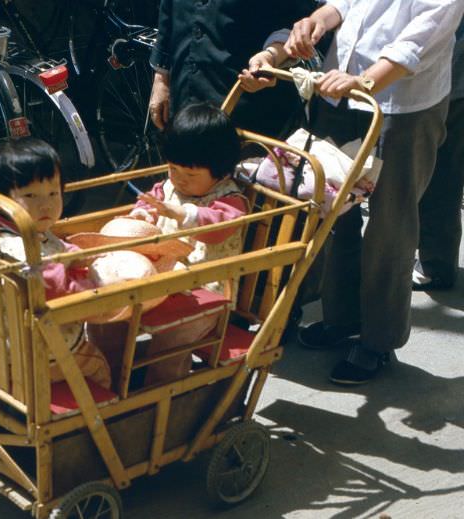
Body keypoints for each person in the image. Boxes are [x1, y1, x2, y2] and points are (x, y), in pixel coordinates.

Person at [240, 0, 464, 385]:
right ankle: (340, 319)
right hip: (337, 94)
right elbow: (341, 5)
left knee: (389, 226)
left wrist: (365, 81)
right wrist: (313, 23)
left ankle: (378, 341)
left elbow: (419, 40)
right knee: (332, 212)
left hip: (403, 106)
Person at [0, 137, 112, 389]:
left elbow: (55, 246)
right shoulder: (21, 250)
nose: (45, 203)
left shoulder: (13, 233)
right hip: (42, 352)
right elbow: (60, 287)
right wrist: (99, 293)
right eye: (30, 195)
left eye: (53, 192)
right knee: (101, 366)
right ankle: (100, 421)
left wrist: (75, 254)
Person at [128, 102, 249, 384]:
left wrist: (181, 213)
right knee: (110, 319)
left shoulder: (229, 200)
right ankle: (114, 380)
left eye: (190, 175)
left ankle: (165, 398)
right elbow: (149, 199)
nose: (179, 179)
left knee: (171, 341)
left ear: (220, 171)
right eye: (172, 169)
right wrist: (142, 212)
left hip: (205, 297)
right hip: (163, 282)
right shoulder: (169, 186)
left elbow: (215, 228)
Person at [148, 0, 319, 137]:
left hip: (247, 101)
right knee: (184, 172)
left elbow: (300, 23)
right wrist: (161, 76)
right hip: (184, 92)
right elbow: (169, 12)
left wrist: (272, 59)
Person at [414, 20, 464, 292]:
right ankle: (435, 262)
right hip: (448, 74)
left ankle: (435, 266)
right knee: (443, 173)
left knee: (441, 175)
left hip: (447, 77)